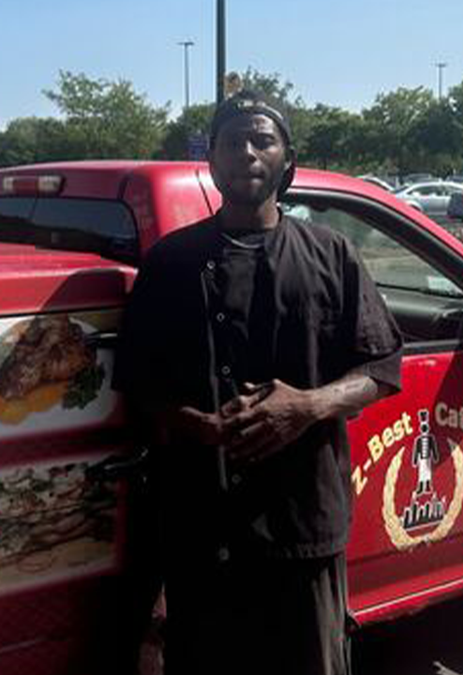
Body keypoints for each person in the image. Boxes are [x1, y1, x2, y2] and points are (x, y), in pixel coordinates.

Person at [114, 90, 404, 675]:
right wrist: (190, 422)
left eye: (261, 140)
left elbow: (382, 368)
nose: (246, 152)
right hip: (201, 524)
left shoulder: (331, 254)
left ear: (286, 159)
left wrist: (308, 405)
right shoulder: (171, 262)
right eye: (231, 142)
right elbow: (137, 378)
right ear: (212, 162)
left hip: (304, 523)